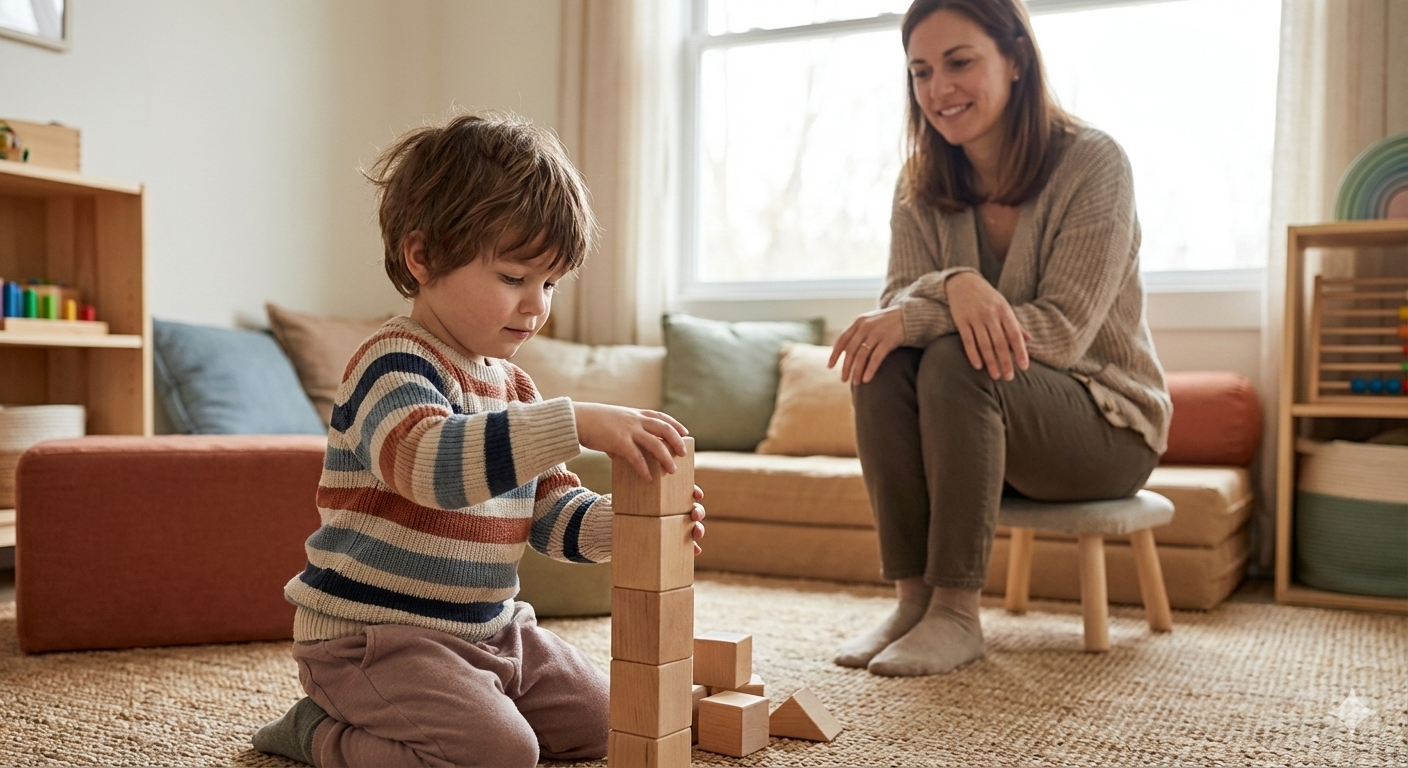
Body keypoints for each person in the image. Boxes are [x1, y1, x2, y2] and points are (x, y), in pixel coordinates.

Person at [251, 112, 706, 766]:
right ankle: (318, 733)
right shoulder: (392, 362)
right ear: (423, 257)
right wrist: (574, 421)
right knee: (499, 754)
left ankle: (474, 697)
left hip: (491, 631)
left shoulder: (516, 390)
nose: (536, 305)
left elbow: (555, 516)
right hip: (373, 641)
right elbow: (432, 466)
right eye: (514, 279)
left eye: (548, 283)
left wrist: (636, 524)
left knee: (608, 720)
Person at [828, 0, 1171, 677]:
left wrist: (938, 307)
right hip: (986, 428)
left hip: (1105, 426)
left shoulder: (1095, 163)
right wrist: (957, 283)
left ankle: (957, 614)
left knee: (960, 357)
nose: (939, 89)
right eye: (922, 71)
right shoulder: (918, 184)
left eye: (960, 62)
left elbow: (1065, 332)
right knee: (881, 361)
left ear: (1014, 60)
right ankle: (914, 601)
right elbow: (896, 303)